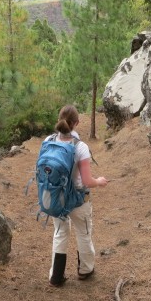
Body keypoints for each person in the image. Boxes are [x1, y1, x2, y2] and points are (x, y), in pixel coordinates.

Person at [48, 105, 108, 288]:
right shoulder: (80, 147)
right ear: (76, 123)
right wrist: (100, 181)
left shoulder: (49, 140)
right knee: (83, 232)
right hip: (78, 200)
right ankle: (85, 270)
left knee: (59, 233)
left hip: (56, 198)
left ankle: (56, 276)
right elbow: (87, 181)